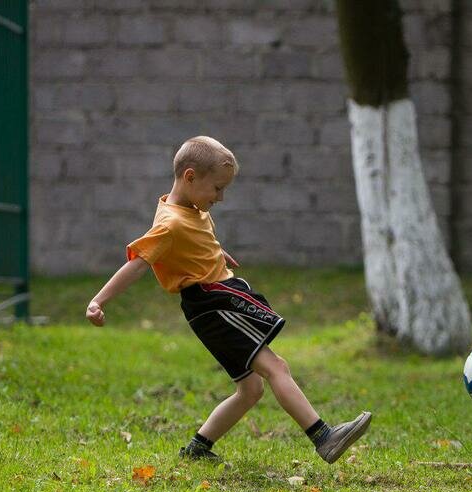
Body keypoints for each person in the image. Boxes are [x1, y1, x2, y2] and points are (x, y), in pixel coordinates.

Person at [85, 136, 371, 464]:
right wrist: (99, 300)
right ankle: (324, 437)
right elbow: (138, 264)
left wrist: (215, 252)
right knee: (276, 367)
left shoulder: (186, 207)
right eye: (217, 189)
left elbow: (192, 240)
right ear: (190, 177)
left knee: (250, 390)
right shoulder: (170, 224)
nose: (220, 198)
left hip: (219, 299)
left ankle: (197, 448)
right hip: (212, 305)